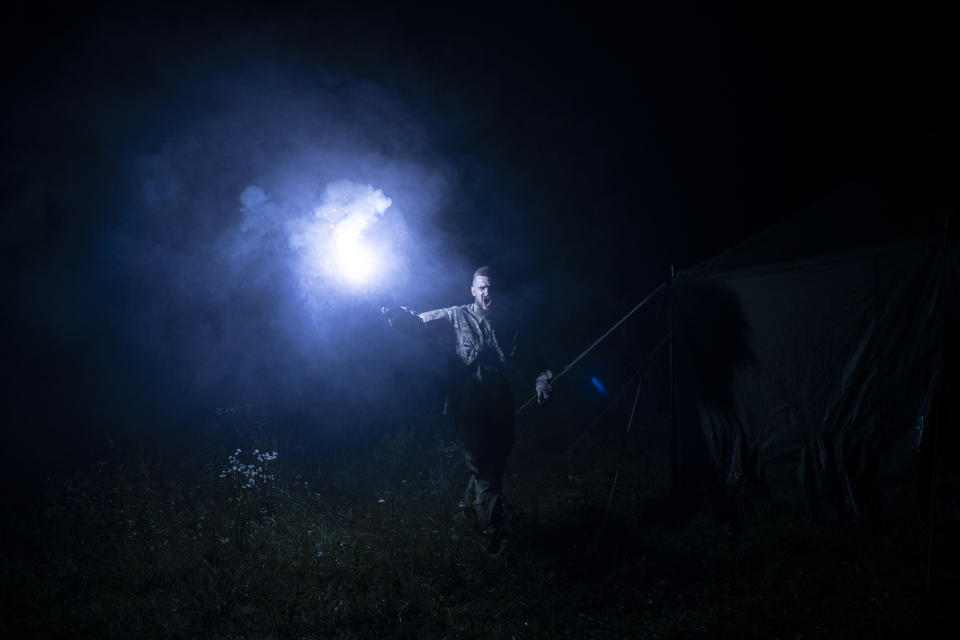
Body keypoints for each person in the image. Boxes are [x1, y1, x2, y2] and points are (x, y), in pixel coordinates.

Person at [382, 266, 553, 556]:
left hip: (502, 409)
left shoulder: (508, 323)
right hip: (469, 410)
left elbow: (533, 358)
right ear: (473, 290)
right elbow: (417, 325)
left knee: (493, 468)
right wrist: (395, 312)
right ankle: (492, 541)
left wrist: (541, 381)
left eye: (492, 287)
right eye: (482, 287)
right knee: (486, 473)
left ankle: (468, 513)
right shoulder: (455, 316)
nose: (488, 292)